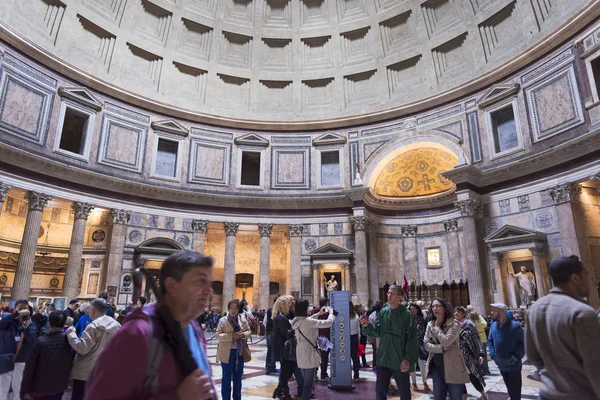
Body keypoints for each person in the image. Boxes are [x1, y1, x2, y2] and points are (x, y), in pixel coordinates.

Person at [85, 250, 217, 400]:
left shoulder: (194, 328)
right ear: (172, 286)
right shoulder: (136, 334)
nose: (209, 290)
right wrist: (177, 397)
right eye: (200, 281)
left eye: (209, 282)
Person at [525, 255, 600, 400]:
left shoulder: (534, 309)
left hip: (547, 394)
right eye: (586, 274)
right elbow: (595, 365)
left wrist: (553, 376)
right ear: (575, 278)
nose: (590, 280)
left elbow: (532, 355)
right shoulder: (582, 312)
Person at [360, 285, 418, 400]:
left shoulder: (406, 315)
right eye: (388, 293)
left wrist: (407, 358)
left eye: (392, 293)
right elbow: (377, 332)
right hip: (384, 357)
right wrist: (367, 325)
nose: (389, 295)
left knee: (404, 392)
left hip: (399, 358)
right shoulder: (383, 312)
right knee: (380, 391)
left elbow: (412, 339)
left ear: (400, 297)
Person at [66, 298, 121, 400]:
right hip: (104, 371)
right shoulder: (117, 326)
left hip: (85, 372)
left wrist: (71, 334)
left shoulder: (93, 326)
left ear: (93, 310)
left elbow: (82, 348)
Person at [20, 310, 75, 400]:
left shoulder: (40, 342)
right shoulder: (70, 341)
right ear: (64, 323)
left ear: (49, 323)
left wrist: (24, 390)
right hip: (59, 386)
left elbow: (29, 368)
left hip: (39, 387)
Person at [424, 298, 469, 400]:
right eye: (433, 306)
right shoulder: (430, 324)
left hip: (453, 366)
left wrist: (436, 327)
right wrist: (441, 348)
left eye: (438, 306)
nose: (435, 308)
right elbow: (426, 344)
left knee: (455, 397)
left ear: (445, 308)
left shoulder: (454, 324)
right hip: (437, 367)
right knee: (438, 397)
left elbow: (446, 341)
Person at [291, 299, 335, 400]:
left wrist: (318, 314)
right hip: (309, 353)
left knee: (305, 383)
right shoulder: (308, 321)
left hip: (300, 353)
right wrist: (332, 314)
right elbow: (328, 323)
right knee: (308, 385)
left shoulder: (295, 321)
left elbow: (306, 320)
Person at [216, 299, 251, 400]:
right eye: (231, 308)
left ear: (238, 309)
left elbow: (249, 331)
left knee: (238, 379)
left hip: (239, 353)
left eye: (235, 308)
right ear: (228, 309)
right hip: (226, 353)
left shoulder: (242, 319)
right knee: (226, 379)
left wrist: (243, 334)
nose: (233, 310)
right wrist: (232, 336)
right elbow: (218, 335)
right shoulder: (223, 320)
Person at [488, 302, 524, 400]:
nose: (491, 313)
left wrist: (514, 357)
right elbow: (490, 341)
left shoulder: (515, 326)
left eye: (494, 311)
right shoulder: (493, 326)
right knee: (509, 389)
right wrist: (493, 355)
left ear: (501, 312)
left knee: (515, 393)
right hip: (501, 365)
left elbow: (523, 344)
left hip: (513, 365)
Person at [272, 295, 303, 399]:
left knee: (288, 370)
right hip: (283, 348)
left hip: (287, 348)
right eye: (290, 301)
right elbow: (286, 333)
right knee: (286, 371)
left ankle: (280, 390)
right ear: (284, 304)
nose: (292, 302)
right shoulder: (281, 317)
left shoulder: (288, 315)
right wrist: (295, 328)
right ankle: (282, 391)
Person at [454, 307, 487, 400]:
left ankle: (482, 393)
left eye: (458, 311)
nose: (456, 313)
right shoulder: (453, 325)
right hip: (457, 355)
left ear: (463, 314)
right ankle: (464, 398)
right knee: (460, 379)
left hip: (469, 355)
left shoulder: (469, 324)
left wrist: (481, 353)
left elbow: (477, 339)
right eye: (455, 311)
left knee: (473, 377)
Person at [0, 299, 29, 398]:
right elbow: (1, 324)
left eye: (25, 308)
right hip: (7, 356)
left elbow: (31, 339)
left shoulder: (29, 322)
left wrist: (26, 327)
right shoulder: (8, 318)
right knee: (4, 385)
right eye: (20, 308)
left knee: (17, 387)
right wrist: (16, 314)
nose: (23, 310)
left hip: (20, 358)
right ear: (14, 309)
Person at [409, 302, 431, 392]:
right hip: (410, 344)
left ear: (418, 309)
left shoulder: (422, 319)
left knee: (422, 364)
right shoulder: (407, 319)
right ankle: (413, 383)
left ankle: (424, 381)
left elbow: (425, 330)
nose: (412, 310)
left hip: (420, 344)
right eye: (411, 309)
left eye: (414, 309)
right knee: (412, 365)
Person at [468, 309, 490, 375]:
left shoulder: (470, 323)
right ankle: (485, 370)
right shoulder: (480, 322)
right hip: (481, 338)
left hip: (478, 339)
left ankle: (482, 370)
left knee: (479, 355)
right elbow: (485, 324)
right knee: (483, 355)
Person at [263, 298, 277, 375]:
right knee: (273, 351)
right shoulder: (279, 311)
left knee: (269, 350)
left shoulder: (269, 310)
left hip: (268, 332)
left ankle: (268, 366)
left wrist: (267, 330)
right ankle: (272, 366)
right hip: (274, 333)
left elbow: (265, 322)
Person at [367, 301, 382, 370]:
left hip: (381, 336)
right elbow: (369, 327)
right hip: (374, 336)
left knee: (380, 350)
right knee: (375, 350)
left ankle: (380, 365)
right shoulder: (371, 316)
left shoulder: (382, 314)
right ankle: (375, 365)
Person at [349, 302, 361, 382]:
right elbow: (358, 329)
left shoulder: (344, 316)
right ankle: (356, 376)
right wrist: (358, 339)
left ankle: (346, 374)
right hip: (354, 337)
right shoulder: (356, 316)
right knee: (355, 357)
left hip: (346, 338)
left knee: (346, 357)